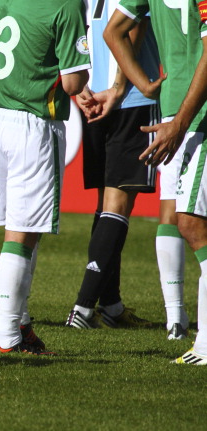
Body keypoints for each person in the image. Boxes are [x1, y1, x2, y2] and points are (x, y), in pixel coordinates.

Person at [0, 0, 90, 354]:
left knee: (24, 228)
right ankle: (7, 337)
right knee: (21, 235)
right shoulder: (65, 5)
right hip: (32, 122)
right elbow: (73, 83)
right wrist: (84, 48)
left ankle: (21, 325)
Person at [104, 0, 207, 364]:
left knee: (189, 222)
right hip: (178, 112)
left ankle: (190, 332)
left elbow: (112, 31)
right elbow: (112, 32)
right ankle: (180, 323)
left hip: (191, 113)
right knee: (186, 219)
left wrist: (147, 89)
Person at [65, 0, 159, 330]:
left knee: (105, 206)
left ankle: (112, 306)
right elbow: (133, 28)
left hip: (93, 94)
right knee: (117, 204)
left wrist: (79, 86)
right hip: (130, 97)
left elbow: (77, 29)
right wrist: (120, 87)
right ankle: (83, 308)